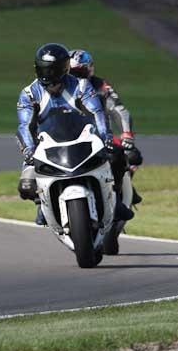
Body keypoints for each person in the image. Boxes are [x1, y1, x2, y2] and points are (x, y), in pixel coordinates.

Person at [16, 43, 133, 225]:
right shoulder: (29, 94)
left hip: (82, 138)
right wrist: (29, 150)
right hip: (46, 144)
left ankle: (114, 198)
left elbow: (97, 113)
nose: (48, 75)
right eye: (44, 70)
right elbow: (24, 125)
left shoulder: (81, 86)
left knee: (116, 155)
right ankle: (43, 204)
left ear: (64, 68)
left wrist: (106, 137)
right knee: (26, 187)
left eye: (52, 70)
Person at [69, 49, 143, 204]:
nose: (76, 76)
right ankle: (43, 204)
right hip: (67, 137)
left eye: (80, 71)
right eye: (71, 72)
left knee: (131, 156)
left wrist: (127, 135)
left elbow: (118, 109)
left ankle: (118, 193)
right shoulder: (58, 88)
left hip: (100, 137)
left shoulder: (101, 86)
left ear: (89, 68)